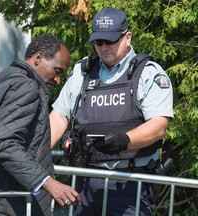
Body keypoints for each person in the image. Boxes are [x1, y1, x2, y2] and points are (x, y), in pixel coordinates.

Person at [50, 6, 173, 216]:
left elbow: (159, 125)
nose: (104, 47)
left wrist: (125, 140)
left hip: (130, 183)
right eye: (99, 42)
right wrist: (34, 158)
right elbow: (59, 117)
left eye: (110, 41)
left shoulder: (148, 73)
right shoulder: (83, 73)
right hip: (85, 183)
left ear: (127, 37)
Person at [0, 34, 81, 216]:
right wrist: (48, 182)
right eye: (57, 71)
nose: (58, 80)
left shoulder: (3, 79)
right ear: (38, 58)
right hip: (1, 203)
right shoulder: (26, 86)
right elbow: (5, 144)